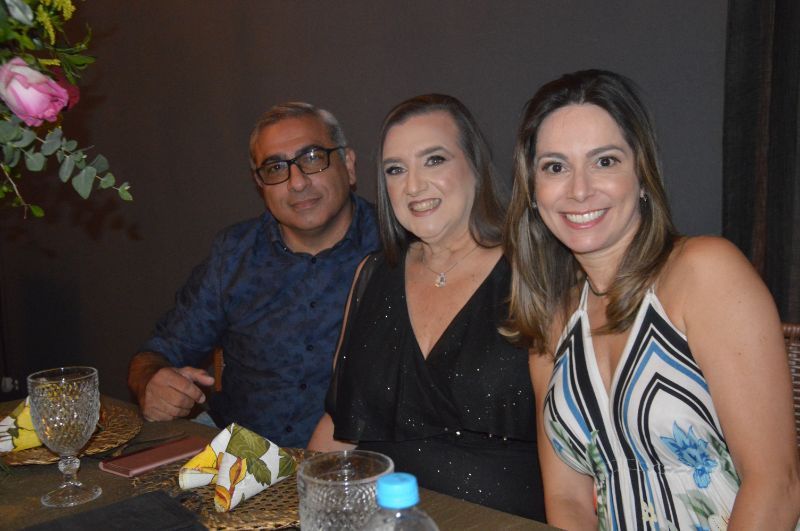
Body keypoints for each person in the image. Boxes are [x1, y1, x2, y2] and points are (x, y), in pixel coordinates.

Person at [504, 69, 800, 529]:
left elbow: (776, 485)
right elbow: (567, 499)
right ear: (533, 192)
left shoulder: (705, 272)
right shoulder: (552, 321)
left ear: (642, 176)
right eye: (555, 167)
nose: (579, 189)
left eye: (605, 161)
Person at [308, 94, 545, 520]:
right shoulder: (372, 274)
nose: (413, 186)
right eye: (395, 169)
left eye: (434, 160)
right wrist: (306, 507)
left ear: (474, 163)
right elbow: (338, 427)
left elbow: (576, 457)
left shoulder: (534, 273)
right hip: (381, 521)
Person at [127, 102, 380, 448]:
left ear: (348, 165)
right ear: (260, 184)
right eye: (276, 168)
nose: (297, 182)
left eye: (312, 158)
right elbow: (156, 354)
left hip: (359, 465)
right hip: (242, 461)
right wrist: (151, 381)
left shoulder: (398, 250)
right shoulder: (233, 255)